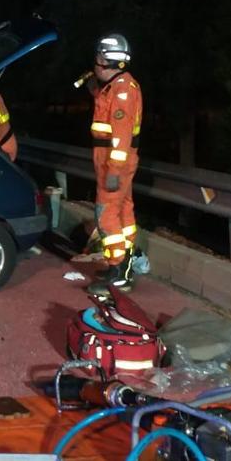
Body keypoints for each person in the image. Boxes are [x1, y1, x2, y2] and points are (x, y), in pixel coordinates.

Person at [82, 33, 143, 295]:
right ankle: (125, 262)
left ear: (109, 61)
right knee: (123, 211)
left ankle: (117, 269)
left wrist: (114, 172)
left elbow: (121, 136)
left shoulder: (122, 92)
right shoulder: (114, 87)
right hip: (110, 160)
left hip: (114, 162)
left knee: (105, 214)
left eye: (98, 59)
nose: (95, 64)